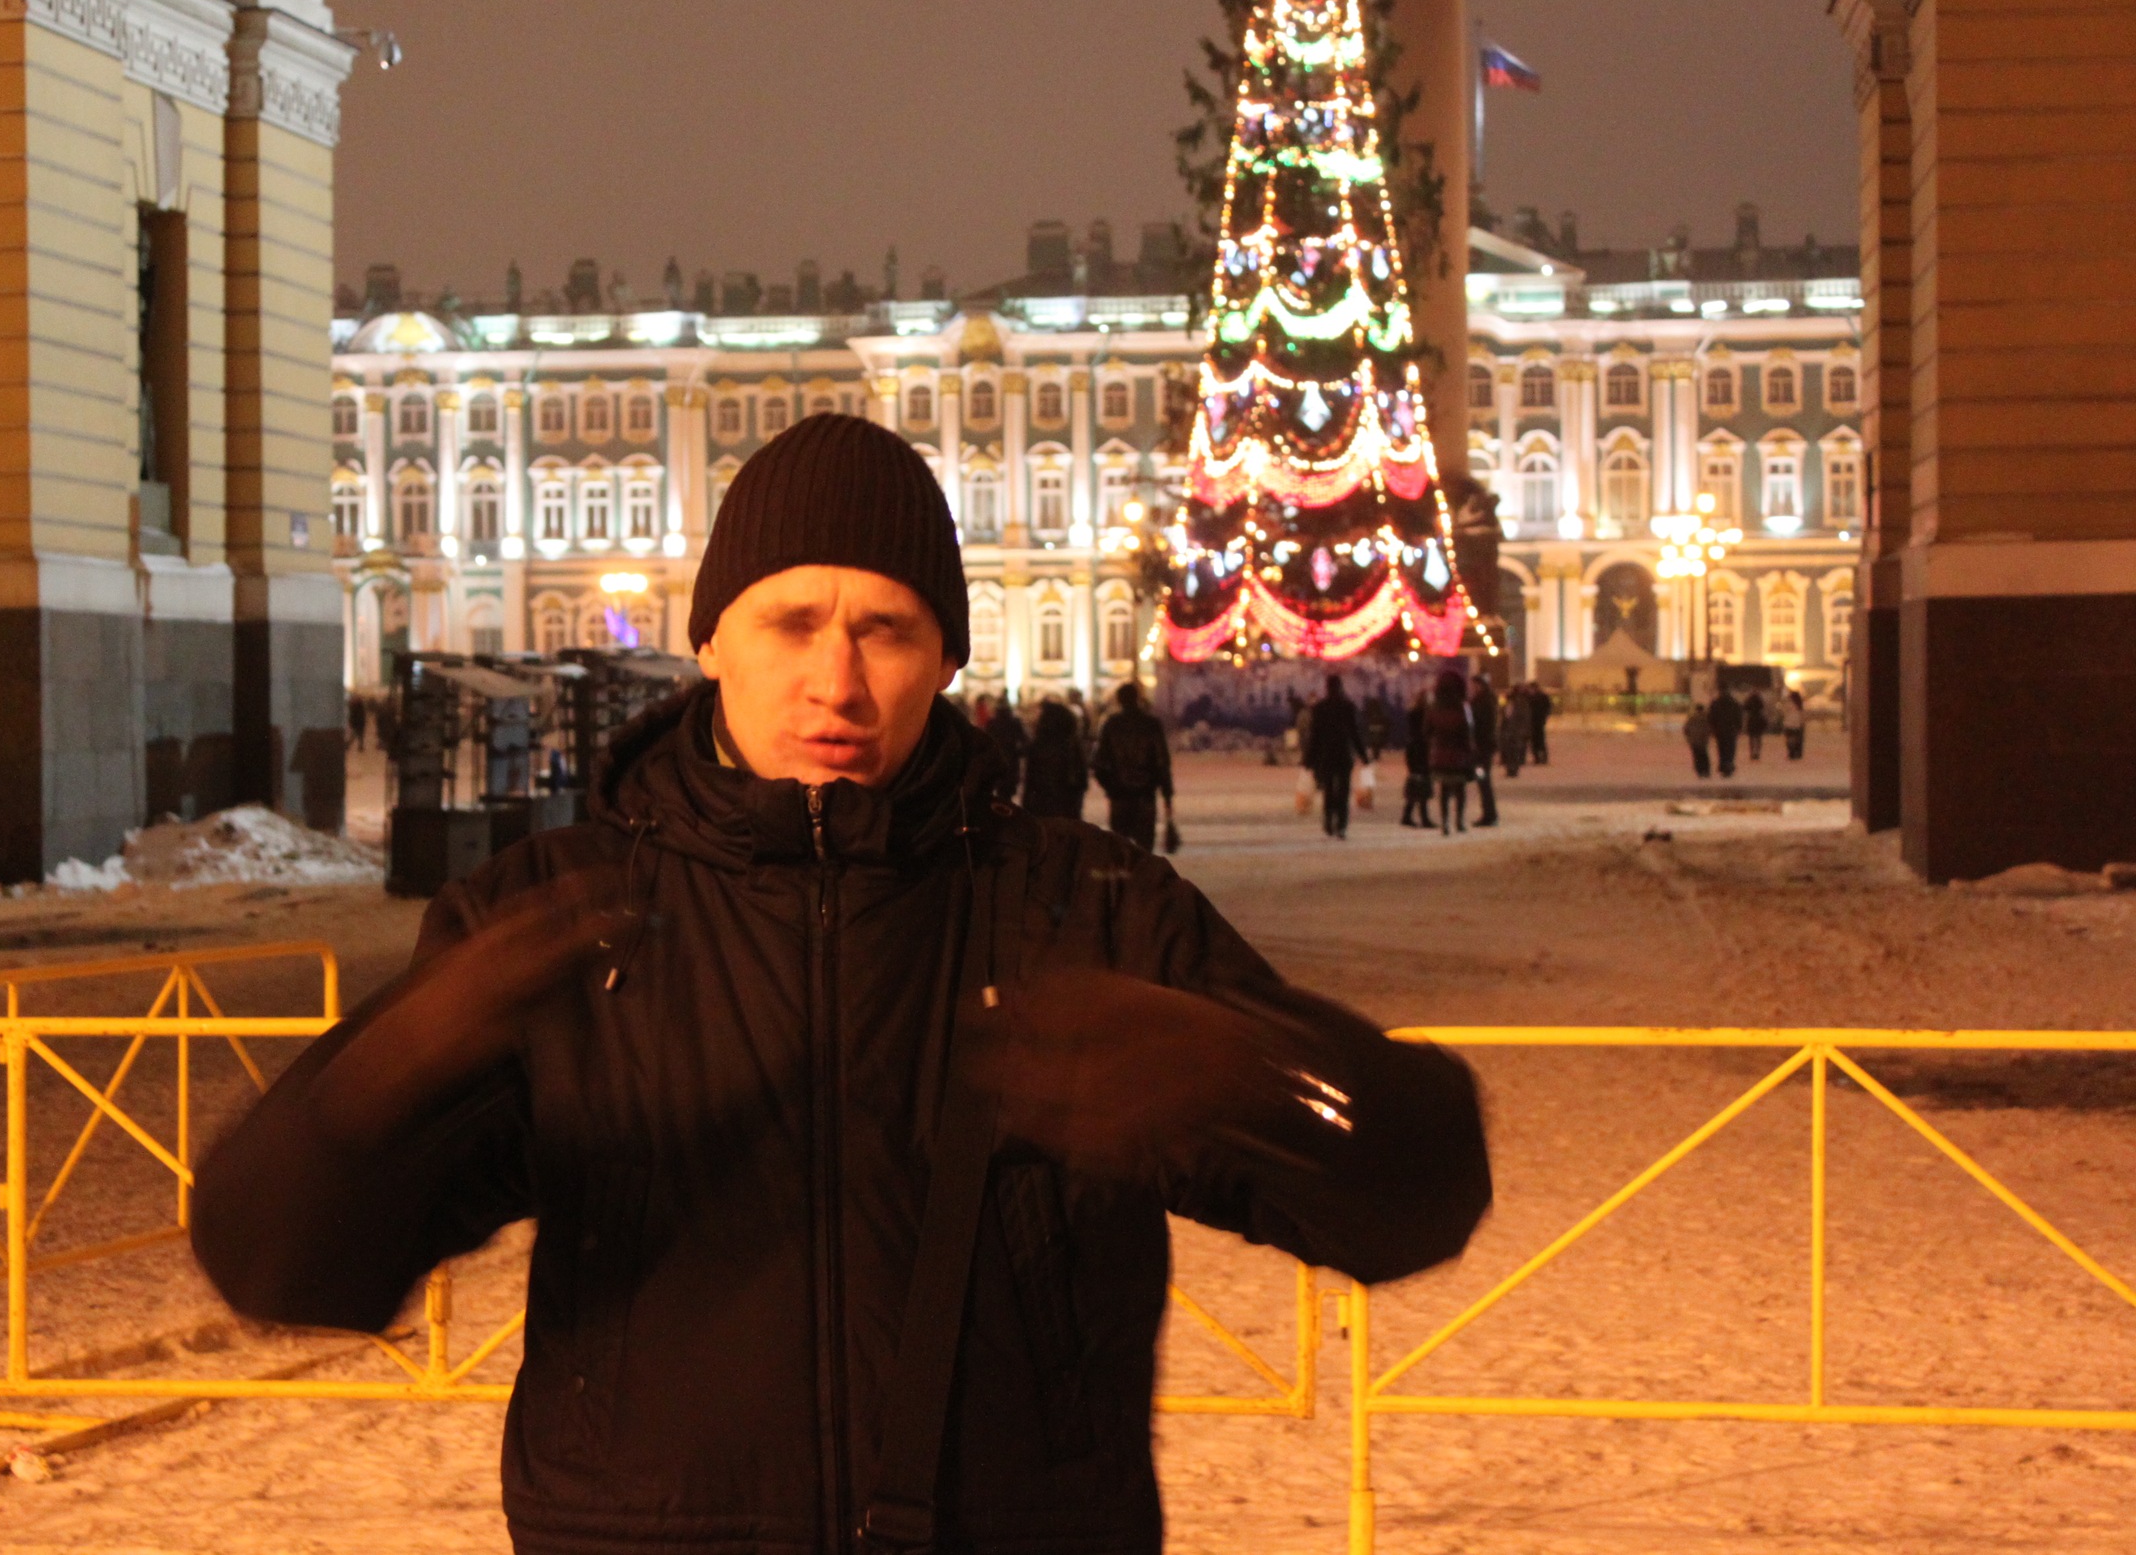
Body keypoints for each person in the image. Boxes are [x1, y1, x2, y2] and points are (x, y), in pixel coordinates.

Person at [189, 414, 1489, 1555]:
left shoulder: (1091, 913)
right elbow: (274, 1260)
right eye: (792, 623)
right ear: (712, 639)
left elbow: (1418, 1199)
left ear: (947, 657)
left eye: (886, 630)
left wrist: (1260, 1080)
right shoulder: (555, 922)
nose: (838, 682)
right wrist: (389, 1077)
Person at [1092, 682, 1175, 853]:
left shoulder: (1111, 724)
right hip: (1145, 795)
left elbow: (1099, 763)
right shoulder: (1151, 724)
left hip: (1120, 796)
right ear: (1137, 698)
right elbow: (1162, 763)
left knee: (1120, 850)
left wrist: (1111, 787)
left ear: (1119, 700)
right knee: (1144, 850)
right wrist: (1167, 795)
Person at [1299, 673, 1368, 839]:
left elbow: (1315, 736)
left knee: (1328, 789)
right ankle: (1341, 825)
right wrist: (1363, 755)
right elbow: (1355, 733)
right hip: (1343, 754)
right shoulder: (1348, 707)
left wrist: (1309, 759)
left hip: (1326, 755)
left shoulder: (1320, 708)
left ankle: (1329, 821)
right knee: (1343, 790)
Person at [1424, 671, 1477, 835]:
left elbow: (1427, 731)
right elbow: (1468, 730)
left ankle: (1445, 823)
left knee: (1444, 789)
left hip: (1440, 753)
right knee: (1460, 789)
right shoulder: (1463, 707)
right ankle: (1459, 821)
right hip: (1459, 753)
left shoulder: (1434, 707)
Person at [1019, 698, 1089, 821]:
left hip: (1042, 807)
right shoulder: (1072, 745)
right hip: (1068, 807)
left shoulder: (1038, 746)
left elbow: (1030, 781)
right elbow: (1081, 779)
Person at [1467, 672, 1501, 826]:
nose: (1472, 687)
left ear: (1479, 685)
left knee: (1483, 779)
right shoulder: (1486, 700)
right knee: (1483, 779)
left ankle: (1489, 814)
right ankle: (1489, 813)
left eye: (1474, 685)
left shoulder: (1483, 702)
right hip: (1484, 747)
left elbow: (1480, 724)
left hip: (1482, 748)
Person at [983, 694, 1029, 804]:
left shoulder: (992, 723)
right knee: (1009, 788)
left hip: (997, 758)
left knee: (1000, 787)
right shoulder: (1015, 722)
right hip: (1012, 758)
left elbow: (986, 740)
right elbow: (1023, 740)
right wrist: (1020, 752)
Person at [1399, 688, 1433, 827]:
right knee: (1424, 782)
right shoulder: (1426, 714)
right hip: (1422, 750)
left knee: (1415, 781)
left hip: (1413, 749)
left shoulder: (1413, 713)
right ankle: (1424, 818)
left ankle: (1407, 815)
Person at [1708, 686, 1743, 779]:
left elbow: (1711, 717)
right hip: (1731, 730)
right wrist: (1739, 727)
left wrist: (1712, 728)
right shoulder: (1734, 703)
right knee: (1731, 749)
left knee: (1721, 749)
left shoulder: (1715, 703)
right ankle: (1729, 765)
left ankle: (1723, 765)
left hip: (1720, 730)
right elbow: (1738, 717)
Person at [1497, 686, 1532, 778]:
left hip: (1516, 731)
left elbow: (1524, 718)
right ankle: (1510, 769)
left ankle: (1513, 769)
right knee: (1509, 750)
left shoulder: (1520, 704)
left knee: (1514, 751)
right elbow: (1504, 718)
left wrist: (1522, 730)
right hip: (1508, 731)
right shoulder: (1508, 704)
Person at [1683, 702, 1714, 779]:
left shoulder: (1692, 718)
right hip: (1703, 740)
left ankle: (1699, 771)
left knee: (1696, 756)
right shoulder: (1706, 718)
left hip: (1694, 740)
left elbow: (1686, 729)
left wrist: (1689, 737)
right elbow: (1709, 729)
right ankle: (1706, 771)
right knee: (1704, 755)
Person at [1526, 680, 1552, 766]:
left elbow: (1548, 707)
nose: (1531, 690)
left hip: (1538, 721)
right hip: (1533, 722)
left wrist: (1544, 716)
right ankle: (1537, 758)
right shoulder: (1530, 697)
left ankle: (1542, 758)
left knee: (1540, 740)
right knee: (1535, 741)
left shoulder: (1541, 697)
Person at [1781, 687, 1808, 761]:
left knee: (1789, 739)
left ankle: (1791, 752)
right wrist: (1802, 722)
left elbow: (1783, 711)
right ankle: (1795, 752)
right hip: (1797, 724)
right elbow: (1803, 715)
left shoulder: (1788, 704)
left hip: (1788, 723)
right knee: (1796, 739)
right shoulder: (1799, 705)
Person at [1743, 689, 1768, 762]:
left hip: (1751, 720)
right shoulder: (1760, 700)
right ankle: (1757, 752)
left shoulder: (1749, 700)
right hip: (1758, 720)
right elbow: (1762, 708)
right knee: (1758, 737)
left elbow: (1745, 708)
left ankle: (1752, 752)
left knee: (1751, 738)